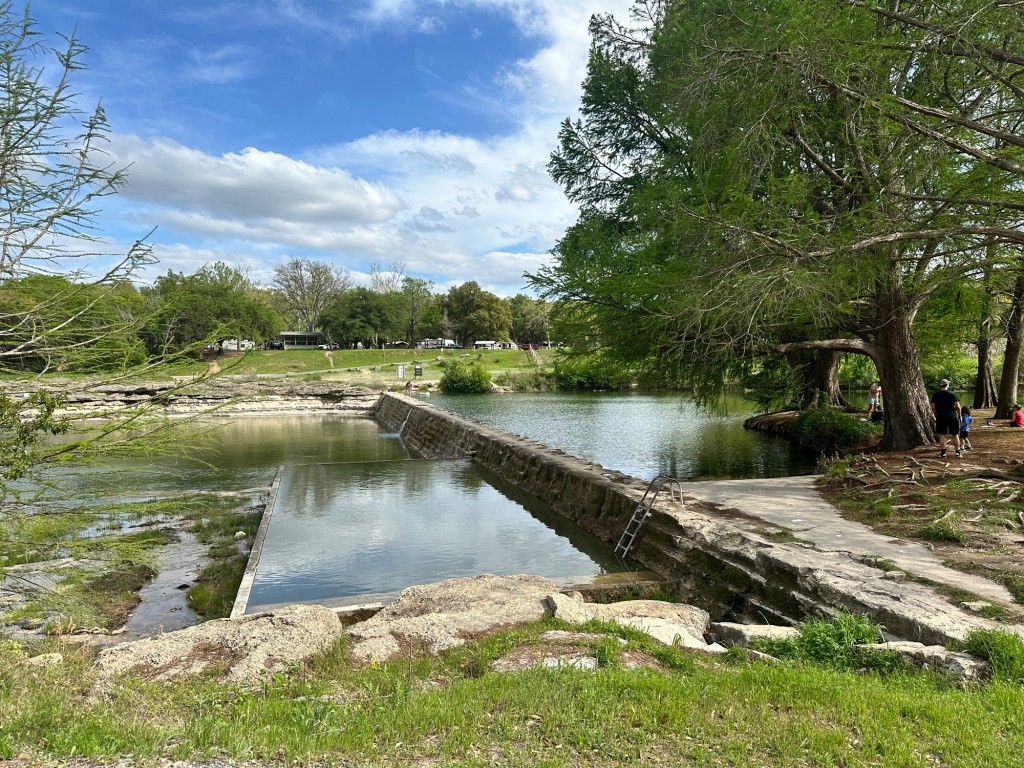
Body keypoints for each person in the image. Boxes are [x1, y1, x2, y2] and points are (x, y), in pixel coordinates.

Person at [931, 378, 962, 458]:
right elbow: (958, 406)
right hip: (952, 416)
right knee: (955, 434)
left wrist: (935, 415)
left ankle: (943, 453)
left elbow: (933, 407)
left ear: (940, 385)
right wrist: (960, 415)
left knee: (942, 434)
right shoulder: (952, 394)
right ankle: (957, 452)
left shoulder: (935, 395)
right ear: (947, 385)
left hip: (941, 416)